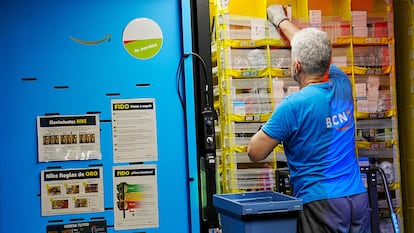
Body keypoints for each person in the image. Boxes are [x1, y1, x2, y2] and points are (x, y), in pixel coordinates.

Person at [247, 5, 371, 233]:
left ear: (297, 65)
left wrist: (270, 127)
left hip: (321, 204)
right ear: (327, 60)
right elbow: (312, 49)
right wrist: (281, 20)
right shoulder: (342, 83)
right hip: (356, 199)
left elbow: (255, 152)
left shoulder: (293, 106)